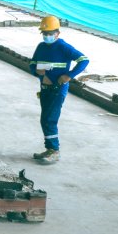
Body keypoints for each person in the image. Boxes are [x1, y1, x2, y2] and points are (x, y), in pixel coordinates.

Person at [29, 15, 89, 164]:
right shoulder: (41, 47)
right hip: (45, 89)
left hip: (57, 89)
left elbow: (84, 60)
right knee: (45, 120)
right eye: (45, 33)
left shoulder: (63, 47)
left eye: (50, 33)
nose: (47, 36)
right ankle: (50, 149)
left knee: (50, 120)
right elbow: (32, 64)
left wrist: (69, 76)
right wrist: (37, 72)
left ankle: (55, 151)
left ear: (57, 33)